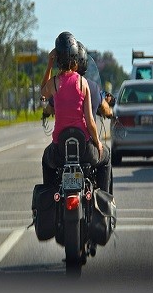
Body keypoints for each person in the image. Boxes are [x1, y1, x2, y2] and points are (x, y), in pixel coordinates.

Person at [41, 32, 111, 192]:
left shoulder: (54, 83)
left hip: (60, 151)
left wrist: (49, 64)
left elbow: (42, 93)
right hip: (85, 150)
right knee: (106, 157)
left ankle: (51, 199)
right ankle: (106, 200)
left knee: (46, 160)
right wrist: (98, 143)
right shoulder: (82, 82)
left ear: (57, 57)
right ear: (75, 59)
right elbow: (90, 122)